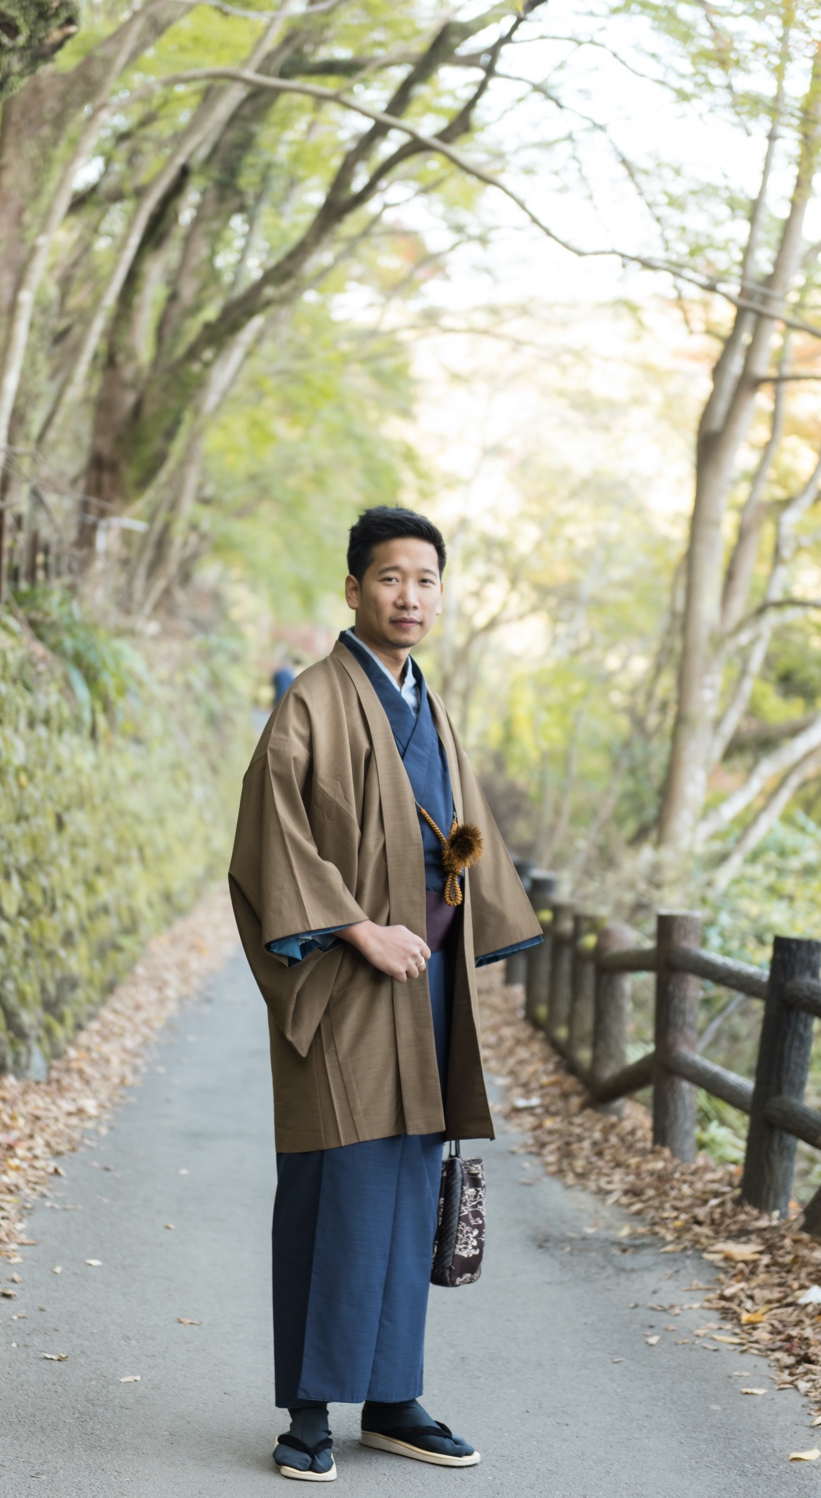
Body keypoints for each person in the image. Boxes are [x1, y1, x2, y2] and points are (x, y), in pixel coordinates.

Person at [229, 506, 541, 1482]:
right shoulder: (313, 701)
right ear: (354, 588)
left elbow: (461, 828)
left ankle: (393, 1395)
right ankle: (310, 1411)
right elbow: (270, 836)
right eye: (391, 577)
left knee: (409, 1184)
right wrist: (358, 927)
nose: (410, 596)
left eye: (426, 579)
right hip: (345, 974)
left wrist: (460, 886)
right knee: (334, 1184)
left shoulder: (431, 706)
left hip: (427, 980)